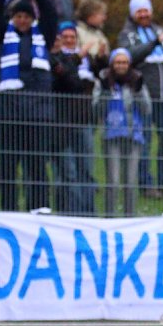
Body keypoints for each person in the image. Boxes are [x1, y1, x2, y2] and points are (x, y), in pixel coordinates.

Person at [0, 0, 57, 212]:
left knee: (36, 166)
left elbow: (50, 12)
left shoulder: (42, 36)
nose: (22, 20)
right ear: (12, 17)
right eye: (18, 16)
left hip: (38, 114)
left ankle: (38, 211)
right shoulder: (2, 35)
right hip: (9, 112)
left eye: (26, 16)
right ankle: (9, 211)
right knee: (7, 166)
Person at [118, 0, 163, 197]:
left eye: (146, 10)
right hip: (143, 94)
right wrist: (154, 43)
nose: (144, 14)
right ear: (133, 13)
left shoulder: (159, 29)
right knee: (145, 140)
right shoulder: (127, 34)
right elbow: (130, 56)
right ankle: (146, 184)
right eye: (139, 11)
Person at [50, 20, 98, 215]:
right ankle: (68, 214)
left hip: (83, 120)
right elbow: (67, 79)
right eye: (65, 37)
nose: (69, 40)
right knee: (66, 172)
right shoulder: (54, 59)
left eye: (73, 37)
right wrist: (77, 58)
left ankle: (88, 214)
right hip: (61, 123)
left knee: (85, 170)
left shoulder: (84, 61)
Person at [100, 48, 151, 216]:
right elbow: (96, 109)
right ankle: (110, 217)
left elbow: (147, 109)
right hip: (111, 135)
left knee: (130, 181)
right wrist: (105, 91)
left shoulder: (137, 80)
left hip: (133, 135)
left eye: (124, 62)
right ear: (112, 64)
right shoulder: (104, 80)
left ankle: (129, 217)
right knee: (113, 181)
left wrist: (137, 92)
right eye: (117, 62)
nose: (121, 66)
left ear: (129, 64)